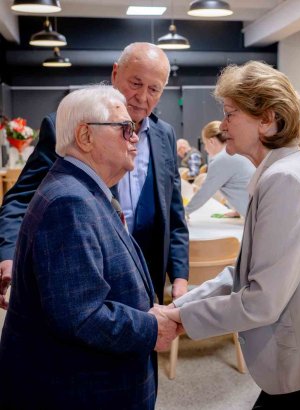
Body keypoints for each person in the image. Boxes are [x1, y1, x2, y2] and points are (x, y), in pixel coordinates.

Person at [164, 61, 300, 409]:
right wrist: (179, 307)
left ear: (266, 119)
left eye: (230, 114)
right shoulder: (278, 172)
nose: (223, 125)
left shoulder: (285, 179)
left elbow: (262, 300)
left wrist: (180, 319)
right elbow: (243, 273)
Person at [0, 86, 178, 409]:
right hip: (78, 389)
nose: (135, 138)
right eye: (125, 129)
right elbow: (82, 317)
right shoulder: (69, 203)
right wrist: (151, 326)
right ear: (85, 136)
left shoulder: (81, 189)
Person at [0, 42, 189, 309]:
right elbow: (22, 199)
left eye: (154, 89)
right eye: (136, 83)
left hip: (147, 268)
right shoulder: (69, 126)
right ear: (115, 74)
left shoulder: (165, 135)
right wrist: (8, 255)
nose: (142, 97)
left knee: (143, 328)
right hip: (87, 267)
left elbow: (173, 211)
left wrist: (180, 275)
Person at [185, 120, 255, 217]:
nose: (205, 148)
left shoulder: (222, 159)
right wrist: (238, 211)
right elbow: (241, 184)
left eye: (205, 143)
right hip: (258, 211)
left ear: (211, 141)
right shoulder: (235, 152)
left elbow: (205, 192)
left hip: (255, 216)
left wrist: (184, 212)